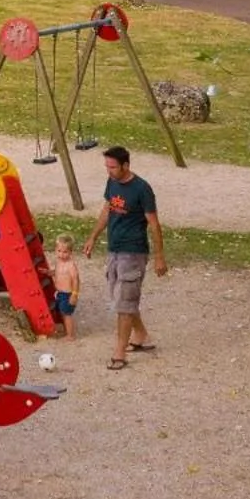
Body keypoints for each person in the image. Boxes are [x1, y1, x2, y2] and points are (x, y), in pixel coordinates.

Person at [81, 146, 165, 370]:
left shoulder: (142, 189)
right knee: (120, 298)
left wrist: (159, 257)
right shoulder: (112, 182)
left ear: (126, 165)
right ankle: (141, 336)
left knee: (125, 303)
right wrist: (93, 237)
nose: (108, 171)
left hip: (134, 252)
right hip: (114, 249)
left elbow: (154, 224)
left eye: (113, 167)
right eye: (107, 166)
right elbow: (107, 209)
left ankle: (119, 353)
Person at [50, 235, 82, 339]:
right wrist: (50, 272)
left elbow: (76, 280)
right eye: (59, 251)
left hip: (68, 294)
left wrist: (74, 295)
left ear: (70, 252)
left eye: (65, 252)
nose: (61, 254)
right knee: (61, 312)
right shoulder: (58, 262)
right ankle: (66, 330)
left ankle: (70, 335)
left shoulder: (71, 265)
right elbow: (57, 273)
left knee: (67, 314)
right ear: (55, 250)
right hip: (59, 293)